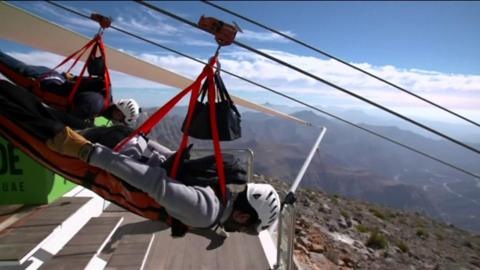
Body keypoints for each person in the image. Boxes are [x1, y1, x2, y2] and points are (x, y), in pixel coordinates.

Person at [0, 79, 281, 235]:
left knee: (41, 115)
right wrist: (89, 153)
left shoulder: (218, 190)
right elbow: (152, 182)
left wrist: (142, 140)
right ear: (243, 216)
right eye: (247, 229)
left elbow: (172, 159)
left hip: (128, 143)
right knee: (33, 126)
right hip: (116, 151)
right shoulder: (205, 211)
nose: (242, 232)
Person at [0, 50, 140, 127]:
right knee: (5, 64)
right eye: (121, 119)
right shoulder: (94, 106)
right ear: (120, 113)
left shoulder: (104, 97)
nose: (117, 121)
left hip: (54, 76)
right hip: (41, 83)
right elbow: (65, 121)